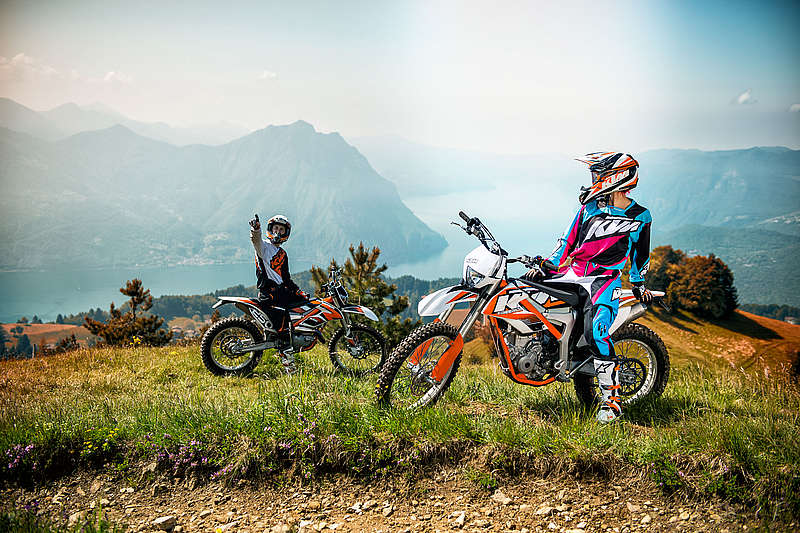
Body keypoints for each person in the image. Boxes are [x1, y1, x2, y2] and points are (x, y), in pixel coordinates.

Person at [526, 152, 653, 423]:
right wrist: (547, 266)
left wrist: (639, 283)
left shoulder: (641, 216)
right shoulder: (589, 207)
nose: (594, 180)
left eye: (599, 175)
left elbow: (640, 256)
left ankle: (612, 402)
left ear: (617, 177)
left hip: (604, 280)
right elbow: (567, 241)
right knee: (526, 294)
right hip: (572, 273)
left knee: (597, 332)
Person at [249, 214, 308, 374]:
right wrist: (256, 229)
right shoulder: (263, 247)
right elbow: (255, 240)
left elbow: (286, 279)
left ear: (286, 233)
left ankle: (301, 336)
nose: (278, 232)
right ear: (270, 229)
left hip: (281, 292)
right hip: (269, 295)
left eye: (281, 229)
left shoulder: (282, 253)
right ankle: (289, 366)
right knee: (283, 332)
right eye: (276, 228)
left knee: (306, 305)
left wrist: (299, 292)